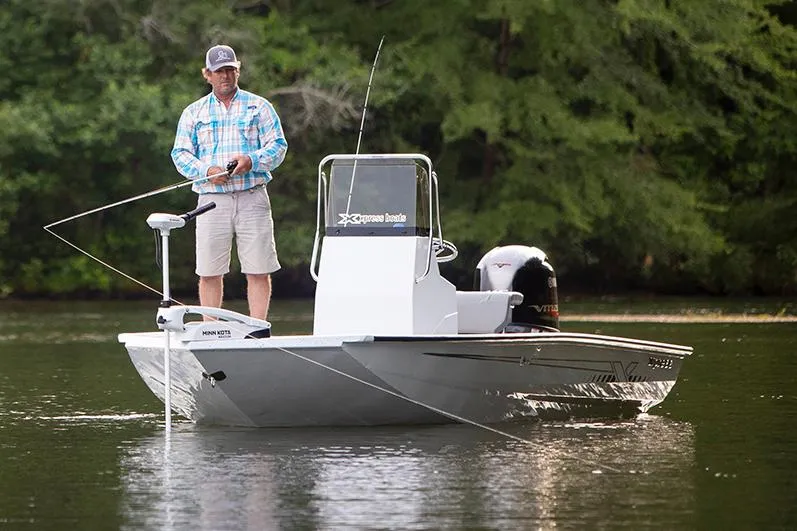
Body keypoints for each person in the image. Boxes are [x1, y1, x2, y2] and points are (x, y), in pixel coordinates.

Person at [171, 44, 288, 320]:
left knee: (259, 268)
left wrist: (252, 160)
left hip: (253, 195)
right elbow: (180, 154)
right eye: (218, 71)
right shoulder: (193, 112)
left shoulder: (260, 106)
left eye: (229, 70)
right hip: (211, 200)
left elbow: (278, 146)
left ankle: (258, 328)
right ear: (207, 75)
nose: (225, 76)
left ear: (238, 71)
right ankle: (211, 328)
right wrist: (206, 169)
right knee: (209, 270)